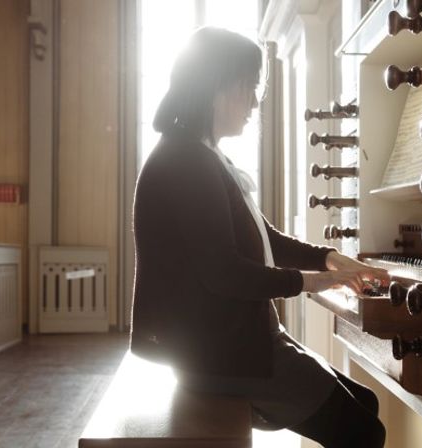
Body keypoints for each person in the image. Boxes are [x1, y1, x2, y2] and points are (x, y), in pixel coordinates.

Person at [130, 27, 388, 448]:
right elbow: (224, 274)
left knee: (365, 404)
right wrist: (307, 283)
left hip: (234, 342)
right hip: (219, 355)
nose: (254, 101)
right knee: (364, 432)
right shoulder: (185, 162)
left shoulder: (201, 153)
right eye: (248, 86)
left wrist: (330, 259)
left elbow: (265, 238)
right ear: (216, 86)